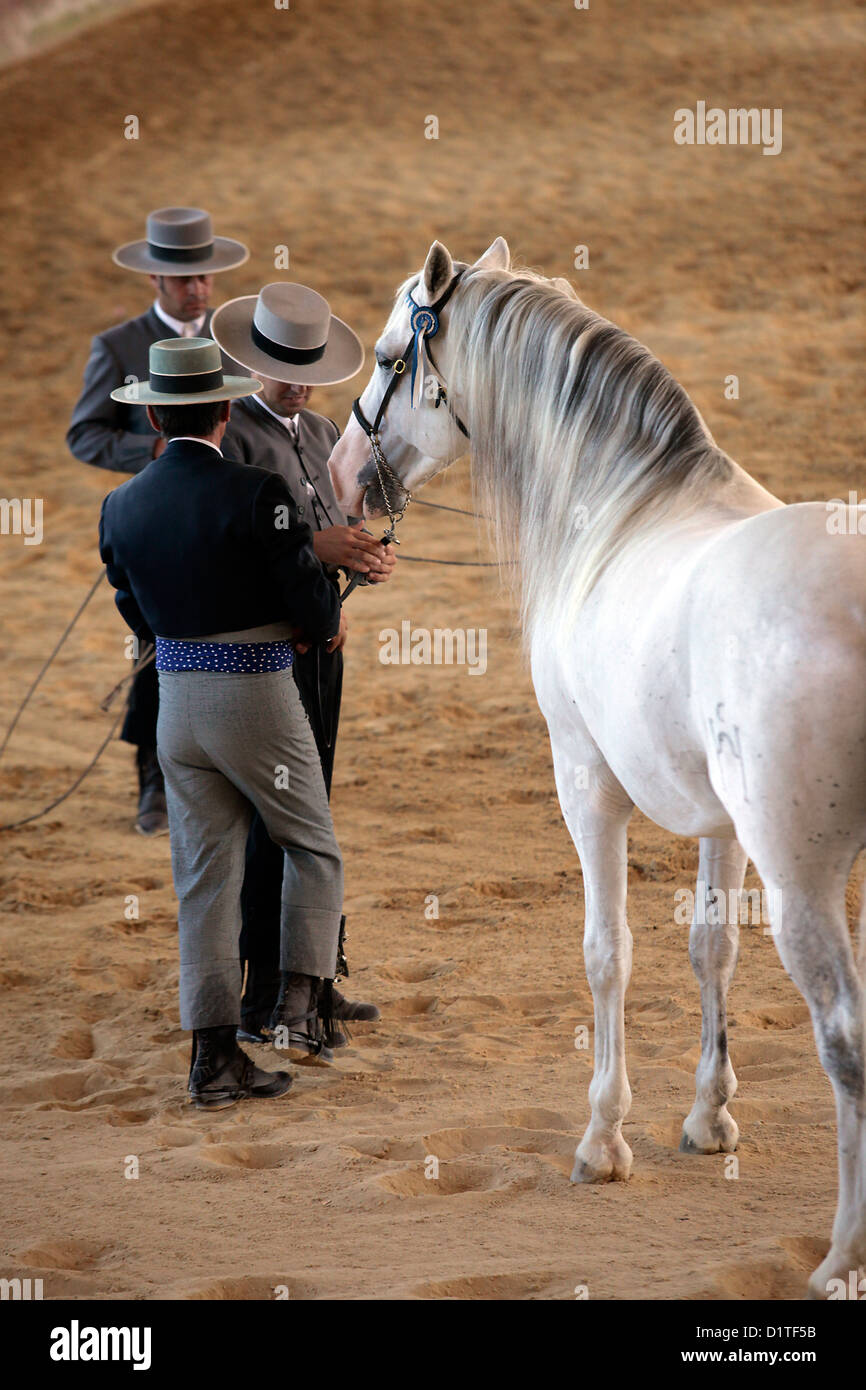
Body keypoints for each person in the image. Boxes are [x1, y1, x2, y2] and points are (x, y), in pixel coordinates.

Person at [99, 336, 349, 1107]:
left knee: (204, 878)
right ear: (226, 408)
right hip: (256, 695)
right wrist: (320, 624)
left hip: (178, 703)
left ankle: (212, 1059)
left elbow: (131, 606)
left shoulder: (121, 503)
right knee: (311, 844)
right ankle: (299, 1011)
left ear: (155, 421)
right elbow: (305, 591)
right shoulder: (257, 490)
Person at [212, 282, 394, 1043]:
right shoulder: (233, 441)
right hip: (264, 653)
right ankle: (267, 993)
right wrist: (318, 552)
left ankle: (314, 976)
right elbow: (224, 555)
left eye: (307, 366)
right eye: (283, 365)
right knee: (271, 821)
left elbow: (337, 524)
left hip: (321, 643)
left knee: (312, 814)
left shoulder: (323, 433)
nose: (297, 379)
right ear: (254, 363)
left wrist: (357, 564)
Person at [68, 207, 249, 836]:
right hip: (161, 516)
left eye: (203, 277)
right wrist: (156, 448)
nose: (196, 289)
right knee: (157, 643)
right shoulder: (118, 346)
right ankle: (154, 778)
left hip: (233, 510)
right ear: (156, 282)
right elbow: (84, 434)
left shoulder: (235, 341)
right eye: (182, 280)